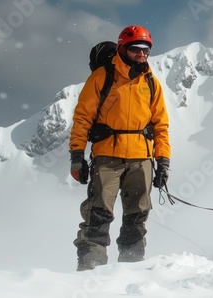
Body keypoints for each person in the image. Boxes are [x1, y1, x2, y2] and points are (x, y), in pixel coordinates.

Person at [68, 25, 171, 271]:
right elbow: (82, 118)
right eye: (136, 49)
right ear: (123, 49)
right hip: (107, 158)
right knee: (98, 215)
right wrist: (76, 156)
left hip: (142, 159)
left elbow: (161, 126)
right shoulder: (102, 77)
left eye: (146, 50)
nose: (142, 55)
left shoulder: (151, 83)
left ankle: (130, 271)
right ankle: (90, 271)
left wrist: (163, 161)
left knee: (137, 217)